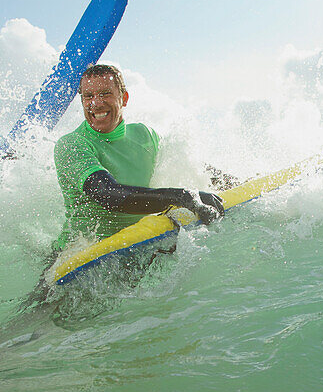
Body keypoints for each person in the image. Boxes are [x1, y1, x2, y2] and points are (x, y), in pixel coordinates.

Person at [50, 64, 224, 256]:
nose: (96, 103)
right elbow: (107, 194)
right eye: (88, 96)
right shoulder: (72, 144)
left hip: (135, 244)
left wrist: (228, 181)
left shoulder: (144, 134)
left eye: (105, 94)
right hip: (77, 258)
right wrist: (182, 197)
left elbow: (184, 165)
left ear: (124, 98)